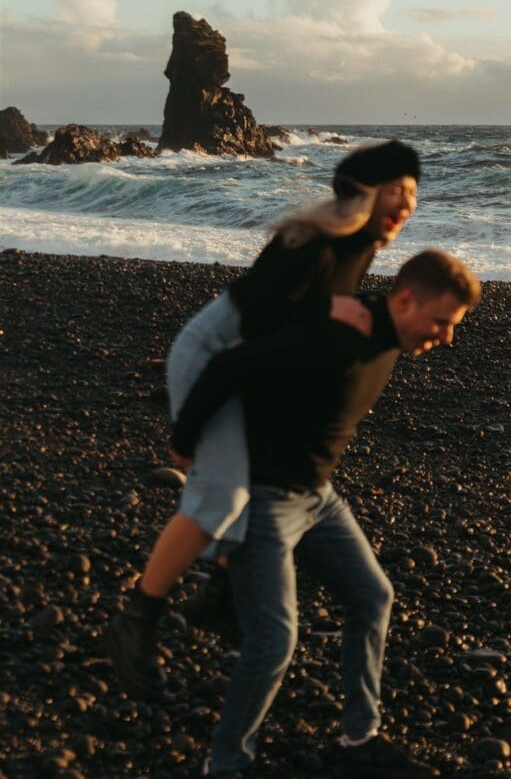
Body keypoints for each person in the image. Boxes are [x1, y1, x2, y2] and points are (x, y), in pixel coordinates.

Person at [106, 141, 420, 691]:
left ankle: (219, 597)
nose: (408, 205)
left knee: (259, 480)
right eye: (399, 191)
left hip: (248, 363)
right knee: (220, 496)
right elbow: (260, 316)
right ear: (366, 193)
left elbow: (290, 337)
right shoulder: (311, 241)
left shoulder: (362, 244)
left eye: (415, 194)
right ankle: (137, 618)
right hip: (212, 355)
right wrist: (188, 433)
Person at [176, 250, 481, 778]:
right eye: (441, 322)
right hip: (267, 497)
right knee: (273, 641)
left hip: (318, 496)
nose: (447, 337)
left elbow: (347, 269)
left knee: (372, 597)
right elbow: (231, 365)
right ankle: (224, 765)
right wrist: (184, 442)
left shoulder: (379, 330)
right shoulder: (336, 338)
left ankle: (359, 740)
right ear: (405, 299)